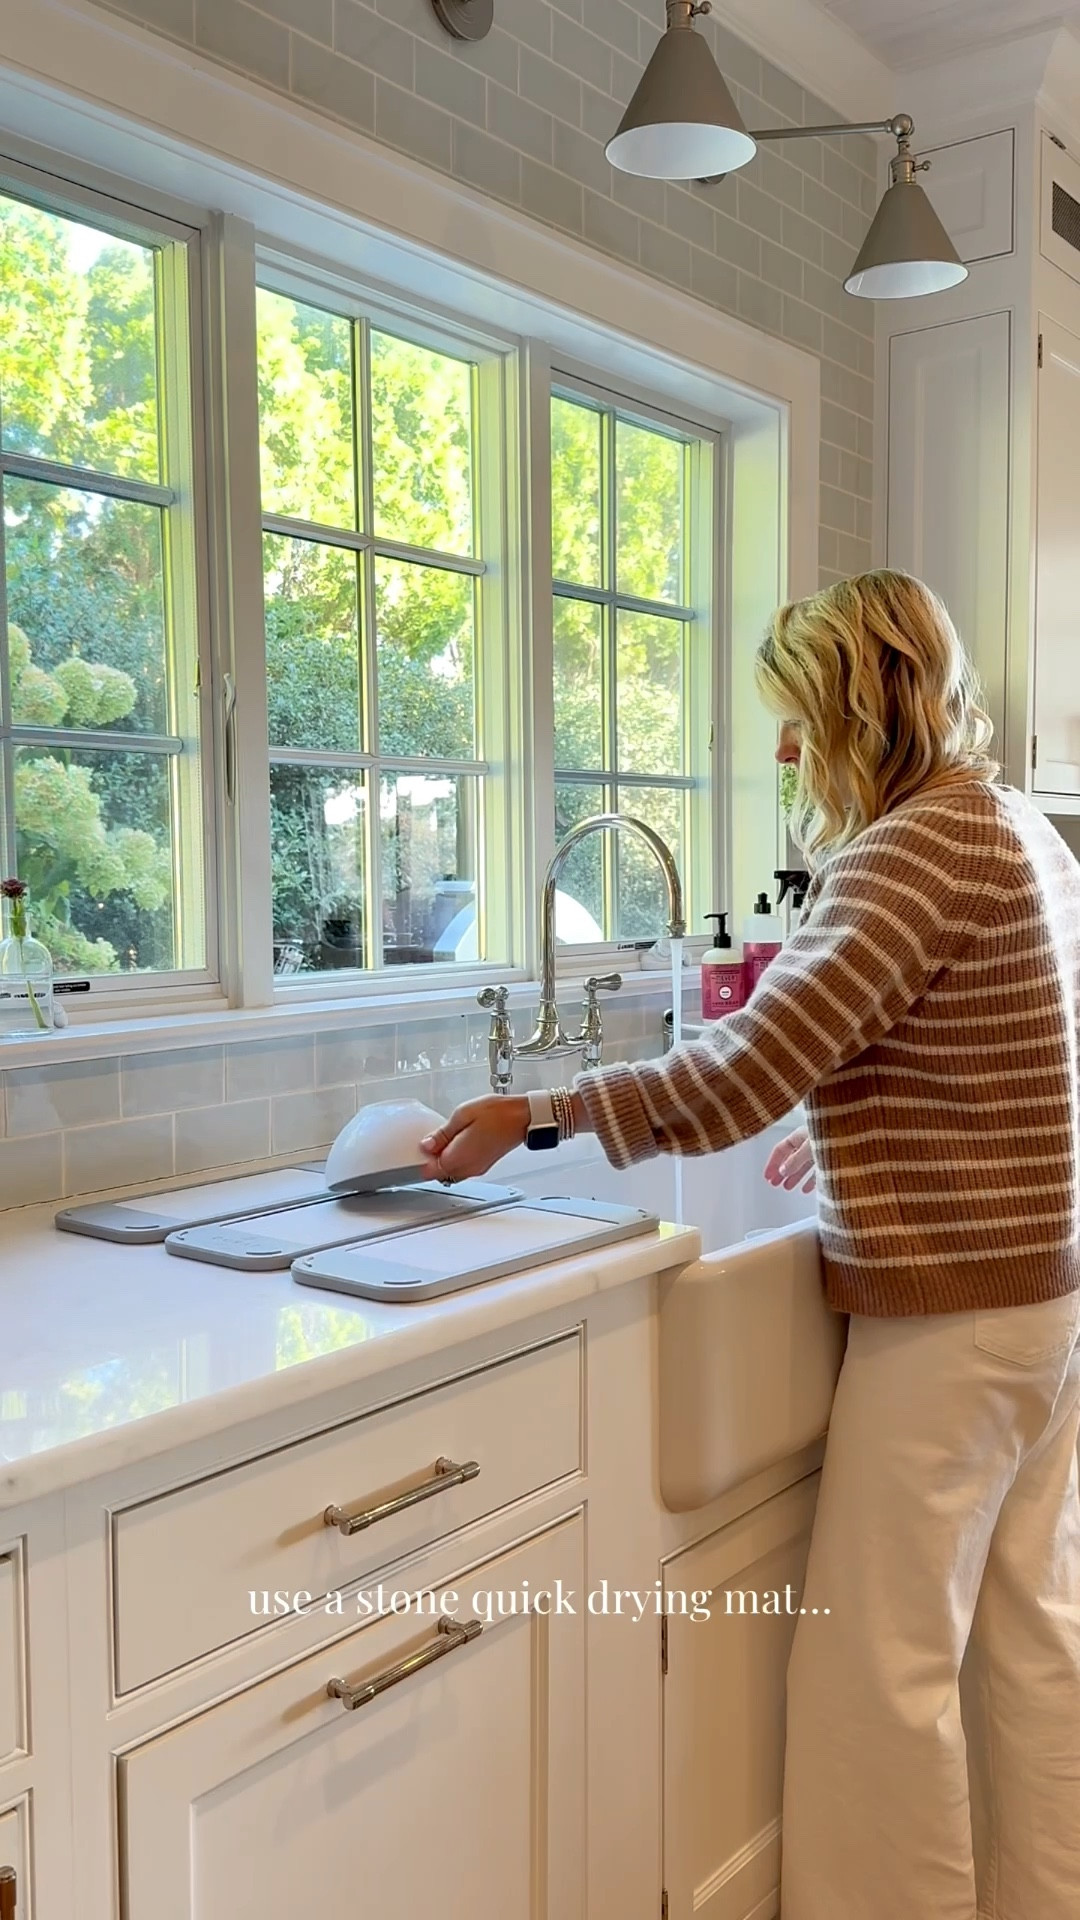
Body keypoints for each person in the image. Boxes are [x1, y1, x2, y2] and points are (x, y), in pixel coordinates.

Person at [420, 569, 1080, 1920]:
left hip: (953, 1316)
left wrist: (533, 1109)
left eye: (794, 716)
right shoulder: (1006, 824)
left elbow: (739, 1070)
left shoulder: (908, 848)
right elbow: (985, 1044)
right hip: (1042, 1300)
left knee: (874, 1673)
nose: (782, 749)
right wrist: (850, 1125)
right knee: (1028, 1640)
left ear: (855, 706)